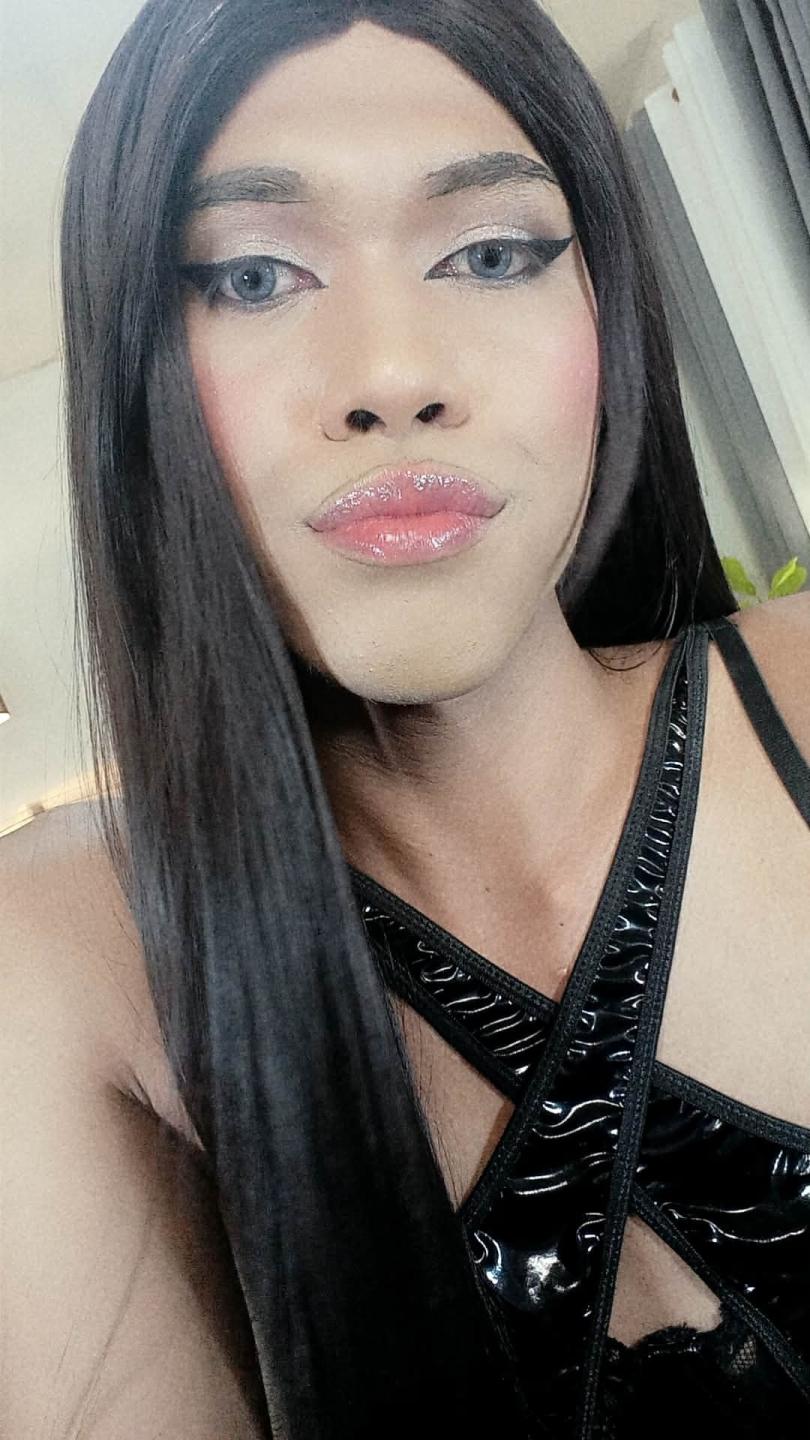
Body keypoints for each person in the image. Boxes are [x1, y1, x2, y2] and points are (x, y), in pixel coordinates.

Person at [3, 1, 810, 1436]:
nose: (391, 378)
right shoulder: (65, 957)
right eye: (251, 276)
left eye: (491, 254)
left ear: (607, 307)